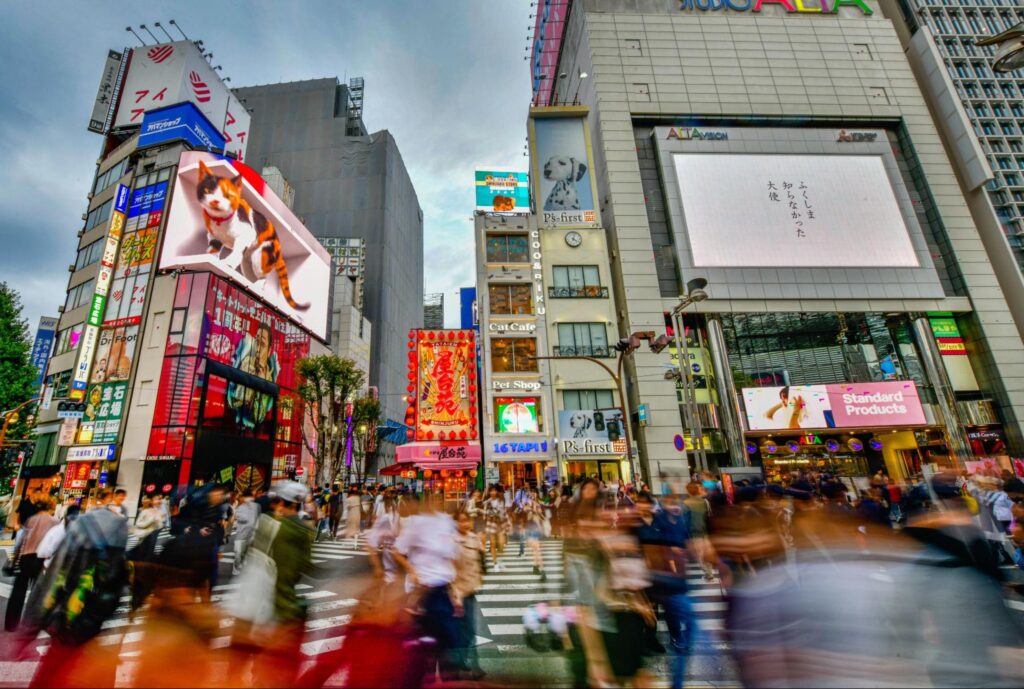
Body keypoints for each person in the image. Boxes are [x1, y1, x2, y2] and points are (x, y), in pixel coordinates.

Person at [392, 493, 461, 679]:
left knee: (449, 647)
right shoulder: (417, 524)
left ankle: (444, 679)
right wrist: (412, 572)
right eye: (432, 500)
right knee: (423, 650)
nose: (436, 503)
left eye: (439, 500)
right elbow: (397, 551)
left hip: (442, 590)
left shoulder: (446, 522)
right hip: (422, 592)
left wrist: (456, 593)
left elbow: (451, 558)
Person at [5, 497, 57, 631]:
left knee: (18, 591)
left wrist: (14, 558)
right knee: (38, 593)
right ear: (51, 507)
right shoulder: (54, 522)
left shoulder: (31, 520)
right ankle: (30, 624)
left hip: (26, 558)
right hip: (42, 559)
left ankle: (11, 624)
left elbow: (21, 540)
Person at [452, 509, 485, 680]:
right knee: (467, 630)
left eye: (467, 520)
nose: (465, 524)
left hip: (471, 590)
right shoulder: (451, 542)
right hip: (457, 593)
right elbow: (449, 570)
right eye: (461, 521)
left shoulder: (474, 539)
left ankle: (463, 662)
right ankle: (469, 665)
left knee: (468, 630)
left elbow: (479, 563)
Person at [232, 490, 261, 576]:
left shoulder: (257, 506)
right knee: (238, 553)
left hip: (251, 534)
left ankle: (242, 567)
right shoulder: (240, 507)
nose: (250, 499)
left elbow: (258, 517)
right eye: (248, 497)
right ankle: (236, 568)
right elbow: (238, 518)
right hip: (241, 534)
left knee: (245, 553)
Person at [483, 485, 509, 571]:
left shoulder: (501, 501)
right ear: (489, 492)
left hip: (500, 524)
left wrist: (507, 524)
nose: (493, 492)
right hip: (491, 524)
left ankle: (500, 560)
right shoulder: (487, 502)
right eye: (491, 491)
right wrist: (488, 514)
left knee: (501, 544)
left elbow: (504, 513)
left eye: (494, 491)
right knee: (493, 544)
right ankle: (495, 563)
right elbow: (485, 513)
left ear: (497, 492)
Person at [522, 489, 547, 580]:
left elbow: (541, 516)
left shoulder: (538, 504)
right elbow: (527, 514)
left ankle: (538, 568)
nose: (532, 494)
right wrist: (532, 507)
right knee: (536, 549)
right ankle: (539, 568)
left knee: (536, 549)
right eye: (531, 493)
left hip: (536, 528)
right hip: (530, 528)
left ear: (536, 494)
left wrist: (537, 511)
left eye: (534, 493)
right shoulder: (527, 504)